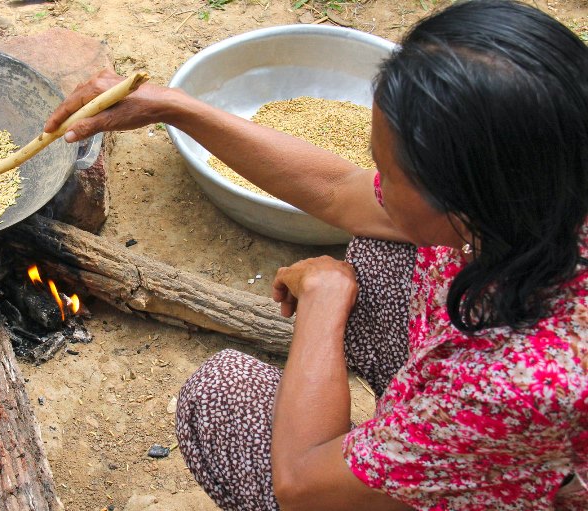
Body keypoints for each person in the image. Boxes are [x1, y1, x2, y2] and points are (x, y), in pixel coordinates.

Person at [43, 0, 588, 509]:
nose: (374, 175)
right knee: (381, 246)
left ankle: (400, 461)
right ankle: (402, 444)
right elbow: (338, 191)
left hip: (510, 452)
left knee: (220, 399)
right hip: (496, 427)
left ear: (463, 196)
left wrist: (325, 302)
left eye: (388, 168)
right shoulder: (541, 193)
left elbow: (301, 485)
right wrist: (175, 106)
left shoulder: (504, 384)